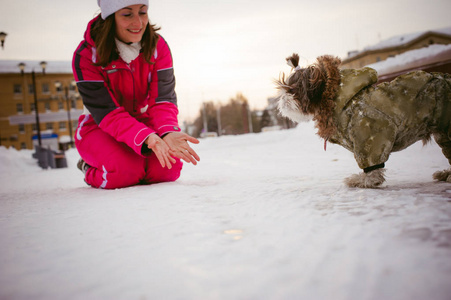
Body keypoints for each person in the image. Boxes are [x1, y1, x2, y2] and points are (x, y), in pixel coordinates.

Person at [72, 0, 200, 189]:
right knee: (124, 173)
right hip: (100, 126)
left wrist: (166, 132)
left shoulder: (158, 46)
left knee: (167, 170)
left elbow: (163, 99)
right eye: (127, 14)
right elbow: (108, 113)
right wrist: (146, 137)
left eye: (143, 12)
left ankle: (137, 158)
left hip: (143, 122)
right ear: (110, 17)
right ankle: (88, 167)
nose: (138, 23)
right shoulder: (86, 56)